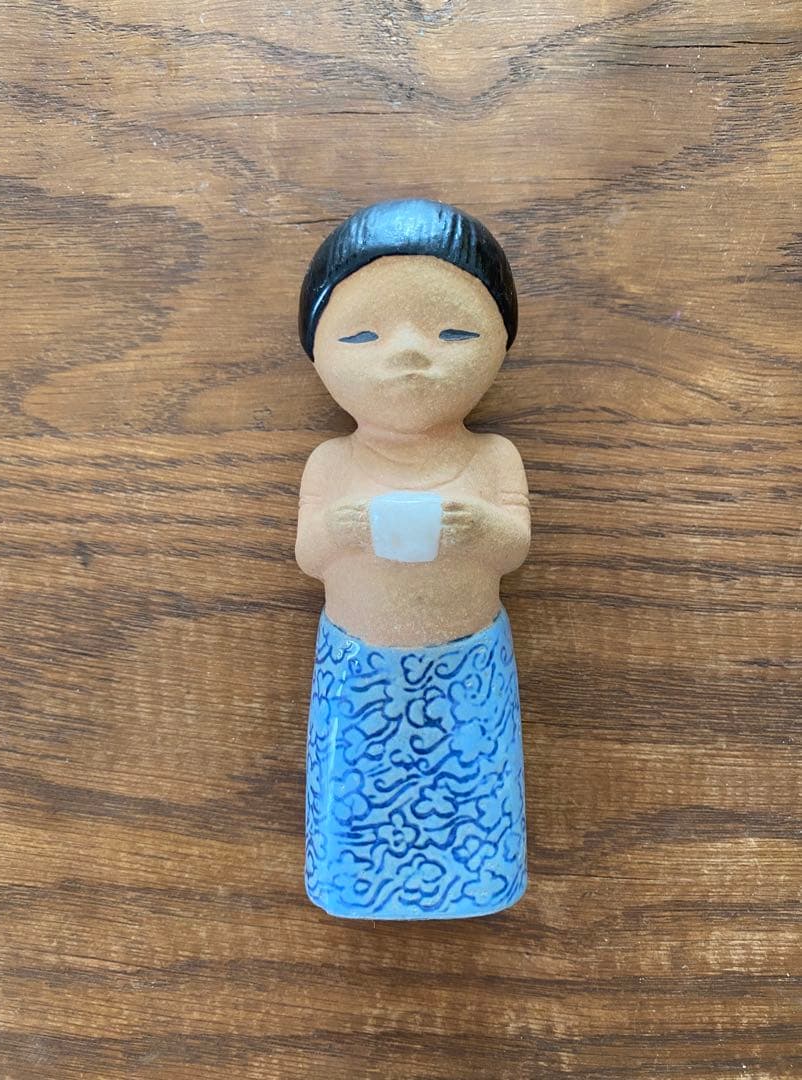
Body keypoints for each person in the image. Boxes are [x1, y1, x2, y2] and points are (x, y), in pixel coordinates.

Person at [295, 198, 531, 919]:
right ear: (318, 352)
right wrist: (340, 528)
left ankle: (482, 881)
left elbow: (515, 547)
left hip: (468, 662)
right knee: (355, 787)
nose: (407, 354)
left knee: (476, 785)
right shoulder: (331, 460)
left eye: (453, 332)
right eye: (362, 334)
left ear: (498, 345)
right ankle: (352, 884)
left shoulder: (492, 455)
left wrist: (477, 529)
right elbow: (309, 556)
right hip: (357, 665)